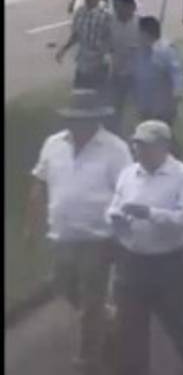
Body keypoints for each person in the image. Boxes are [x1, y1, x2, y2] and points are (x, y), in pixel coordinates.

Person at [25, 89, 132, 375]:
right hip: (62, 234)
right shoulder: (53, 144)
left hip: (99, 236)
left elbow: (128, 191)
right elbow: (39, 183)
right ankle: (108, 321)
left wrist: (123, 234)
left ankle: (88, 358)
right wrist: (31, 226)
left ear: (97, 118)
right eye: (74, 119)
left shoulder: (115, 149)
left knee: (91, 300)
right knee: (63, 286)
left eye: (85, 119)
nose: (78, 124)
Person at [108, 120, 183, 375]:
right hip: (132, 262)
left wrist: (150, 213)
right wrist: (116, 219)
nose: (140, 151)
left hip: (171, 264)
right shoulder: (128, 174)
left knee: (181, 323)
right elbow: (115, 206)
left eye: (146, 146)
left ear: (165, 146)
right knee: (129, 327)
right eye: (137, 145)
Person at [57, 0, 113, 90]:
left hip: (99, 64)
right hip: (82, 63)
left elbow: (111, 39)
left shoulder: (105, 14)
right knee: (80, 97)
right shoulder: (80, 12)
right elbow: (76, 35)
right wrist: (64, 49)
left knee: (98, 99)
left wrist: (104, 51)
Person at [133, 16, 183, 127]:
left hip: (163, 103)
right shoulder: (140, 50)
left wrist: (177, 94)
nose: (137, 36)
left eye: (139, 33)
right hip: (145, 103)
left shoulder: (166, 50)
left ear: (145, 33)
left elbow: (176, 72)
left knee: (161, 134)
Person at [109, 0, 142, 134]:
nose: (118, 10)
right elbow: (108, 46)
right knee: (115, 107)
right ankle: (116, 133)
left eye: (121, 6)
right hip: (117, 74)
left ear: (131, 7)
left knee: (139, 109)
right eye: (115, 6)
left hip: (136, 76)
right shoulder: (111, 23)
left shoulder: (140, 24)